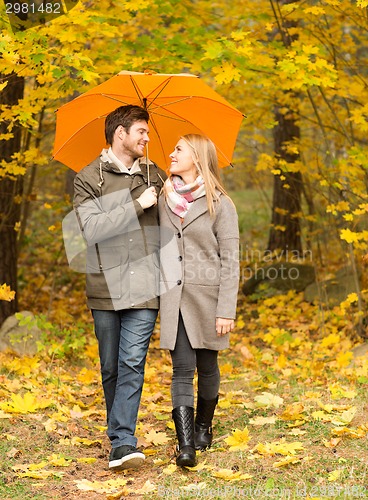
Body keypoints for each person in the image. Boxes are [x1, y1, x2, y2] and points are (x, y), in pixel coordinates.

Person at [73, 105, 166, 470]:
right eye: (141, 131)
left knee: (132, 361)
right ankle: (119, 436)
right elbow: (91, 230)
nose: (146, 138)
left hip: (145, 285)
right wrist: (137, 204)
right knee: (111, 366)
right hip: (104, 285)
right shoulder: (88, 178)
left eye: (146, 132)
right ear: (120, 134)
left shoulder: (154, 174)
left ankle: (123, 441)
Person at [158, 134, 240, 467]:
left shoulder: (221, 204)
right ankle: (186, 444)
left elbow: (231, 260)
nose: (171, 153)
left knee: (207, 367)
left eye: (178, 149)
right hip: (174, 299)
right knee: (181, 369)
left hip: (209, 298)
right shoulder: (164, 197)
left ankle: (204, 425)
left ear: (197, 157)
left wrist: (226, 310)